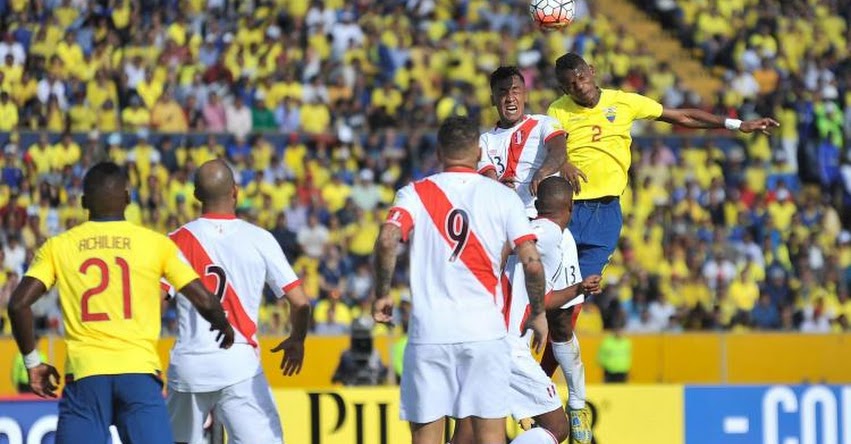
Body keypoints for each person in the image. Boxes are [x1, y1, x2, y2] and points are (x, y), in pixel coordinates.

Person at [542, 52, 781, 443]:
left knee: (569, 312)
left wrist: (739, 125)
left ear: (592, 72)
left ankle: (567, 402)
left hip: (604, 217)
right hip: (566, 212)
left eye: (580, 79)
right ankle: (543, 392)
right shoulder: (558, 110)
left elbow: (682, 116)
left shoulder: (625, 101)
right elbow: (550, 144)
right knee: (552, 311)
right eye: (569, 85)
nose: (577, 88)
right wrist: (563, 160)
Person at [7, 161, 234, 444]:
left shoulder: (59, 246)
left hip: (86, 376)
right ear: (127, 198)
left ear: (83, 202)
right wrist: (222, 323)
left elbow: (17, 305)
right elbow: (204, 299)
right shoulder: (156, 244)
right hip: (139, 374)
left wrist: (33, 363)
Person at [372, 116, 548, 444]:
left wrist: (381, 294)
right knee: (490, 437)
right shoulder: (504, 198)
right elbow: (533, 264)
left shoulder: (414, 193)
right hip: (485, 333)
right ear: (480, 152)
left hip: (430, 333)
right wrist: (537, 312)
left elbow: (386, 240)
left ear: (439, 152)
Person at [163, 159, 311, 444]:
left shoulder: (175, 240)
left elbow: (154, 300)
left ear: (196, 195)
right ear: (235, 192)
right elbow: (301, 302)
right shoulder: (260, 238)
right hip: (237, 363)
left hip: (188, 364)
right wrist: (297, 338)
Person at [451, 176, 601, 444]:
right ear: (570, 207)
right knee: (556, 429)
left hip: (480, 338)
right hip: (508, 348)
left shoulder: (530, 231)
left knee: (470, 428)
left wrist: (579, 288)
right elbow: (516, 243)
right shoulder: (550, 232)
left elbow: (541, 299)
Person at [478, 66, 568, 217]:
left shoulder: (544, 124)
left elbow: (559, 152)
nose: (510, 98)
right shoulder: (484, 141)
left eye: (515, 91)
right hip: (505, 218)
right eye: (502, 92)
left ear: (525, 96)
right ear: (493, 100)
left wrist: (542, 173)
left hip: (542, 216)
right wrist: (499, 188)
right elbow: (489, 179)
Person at [331, 318, 388, 386]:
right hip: (351, 392)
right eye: (359, 335)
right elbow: (336, 376)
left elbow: (382, 374)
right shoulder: (346, 355)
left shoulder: (375, 354)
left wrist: (383, 373)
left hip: (372, 392)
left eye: (364, 335)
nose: (361, 341)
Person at [596, 318, 632, 383]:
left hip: (623, 372)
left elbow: (628, 357)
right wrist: (606, 366)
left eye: (620, 329)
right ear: (614, 330)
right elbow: (600, 357)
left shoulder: (626, 342)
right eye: (617, 329)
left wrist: (628, 369)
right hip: (610, 372)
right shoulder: (607, 342)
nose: (619, 332)